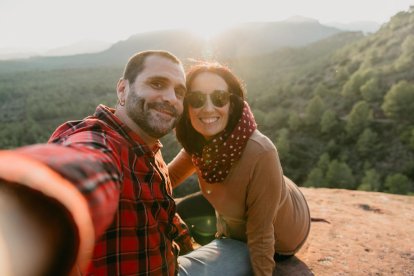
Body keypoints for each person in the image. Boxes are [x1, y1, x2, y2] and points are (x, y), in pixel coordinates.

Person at [0, 50, 194, 275]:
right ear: (123, 89)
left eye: (179, 92)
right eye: (157, 84)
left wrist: (186, 243)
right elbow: (80, 168)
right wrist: (22, 211)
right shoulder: (101, 143)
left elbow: (159, 206)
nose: (171, 98)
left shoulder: (148, 145)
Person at [168, 62, 311, 275]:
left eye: (219, 98)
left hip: (280, 235)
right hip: (259, 199)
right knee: (181, 210)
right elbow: (165, 180)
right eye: (197, 99)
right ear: (186, 106)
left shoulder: (261, 153)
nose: (208, 108)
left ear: (232, 104)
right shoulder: (199, 143)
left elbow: (261, 235)